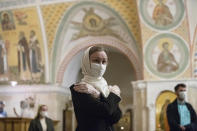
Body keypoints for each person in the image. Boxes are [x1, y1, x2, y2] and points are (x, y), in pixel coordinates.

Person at [70, 46, 122, 131]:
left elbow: (116, 117)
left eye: (104, 61)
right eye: (96, 61)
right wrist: (114, 94)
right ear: (86, 62)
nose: (101, 65)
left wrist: (97, 94)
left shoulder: (106, 88)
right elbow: (106, 110)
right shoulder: (79, 87)